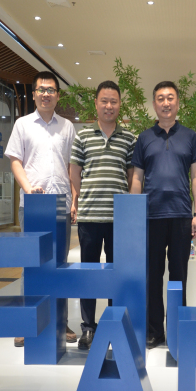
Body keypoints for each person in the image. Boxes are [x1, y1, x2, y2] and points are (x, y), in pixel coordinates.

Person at [4, 71, 77, 347]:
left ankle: (60, 322)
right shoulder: (22, 125)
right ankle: (28, 323)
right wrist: (28, 188)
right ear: (33, 94)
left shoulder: (67, 127)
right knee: (32, 264)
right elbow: (15, 161)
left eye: (51, 90)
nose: (46, 94)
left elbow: (72, 167)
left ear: (58, 95)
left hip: (61, 206)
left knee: (59, 264)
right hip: (33, 207)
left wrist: (74, 199)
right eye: (41, 89)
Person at [130, 81, 196, 349]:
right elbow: (137, 178)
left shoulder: (190, 137)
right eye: (160, 98)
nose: (165, 103)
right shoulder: (144, 138)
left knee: (179, 275)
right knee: (152, 275)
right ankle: (154, 331)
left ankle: (177, 328)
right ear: (154, 104)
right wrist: (135, 215)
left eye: (170, 97)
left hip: (182, 215)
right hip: (151, 216)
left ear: (177, 102)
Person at [70, 80, 136, 350]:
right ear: (96, 104)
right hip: (89, 216)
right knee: (89, 273)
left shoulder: (129, 138)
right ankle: (88, 327)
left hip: (118, 219)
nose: (109, 106)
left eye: (114, 101)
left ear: (120, 105)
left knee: (115, 273)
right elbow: (75, 172)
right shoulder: (83, 136)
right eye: (104, 101)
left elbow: (132, 176)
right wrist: (79, 200)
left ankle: (112, 324)